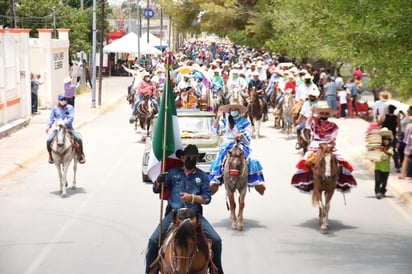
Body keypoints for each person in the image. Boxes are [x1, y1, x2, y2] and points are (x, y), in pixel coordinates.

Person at [145, 144, 223, 274]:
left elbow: (207, 198)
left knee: (216, 240)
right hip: (175, 215)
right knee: (153, 241)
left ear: (197, 159)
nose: (191, 159)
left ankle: (218, 270)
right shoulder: (173, 173)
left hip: (194, 217)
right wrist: (159, 180)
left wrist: (192, 198)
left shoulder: (202, 176)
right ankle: (150, 270)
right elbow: (156, 189)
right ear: (182, 158)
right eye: (189, 157)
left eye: (194, 157)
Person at [291, 102, 357, 193]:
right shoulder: (314, 122)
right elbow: (307, 125)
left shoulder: (334, 126)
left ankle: (342, 182)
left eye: (326, 113)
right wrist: (311, 113)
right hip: (316, 145)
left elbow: (334, 137)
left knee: (341, 159)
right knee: (306, 160)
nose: (324, 115)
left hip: (328, 145)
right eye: (322, 113)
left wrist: (331, 142)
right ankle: (304, 182)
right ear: (319, 114)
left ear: (328, 115)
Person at [209, 103, 266, 195]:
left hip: (241, 143)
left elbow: (248, 133)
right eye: (231, 110)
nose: (233, 111)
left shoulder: (245, 121)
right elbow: (215, 131)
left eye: (235, 109)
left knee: (250, 158)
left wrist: (241, 135)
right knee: (220, 158)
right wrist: (218, 117)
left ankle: (256, 180)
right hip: (228, 144)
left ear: (238, 111)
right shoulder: (225, 121)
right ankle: (216, 180)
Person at [46, 94, 86, 164]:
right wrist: (48, 126)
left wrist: (65, 123)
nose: (63, 101)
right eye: (62, 99)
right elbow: (51, 118)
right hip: (58, 128)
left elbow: (71, 117)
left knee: (79, 139)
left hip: (68, 127)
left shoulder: (70, 107)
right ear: (59, 100)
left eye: (64, 99)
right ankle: (50, 156)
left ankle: (81, 155)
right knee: (48, 140)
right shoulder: (55, 108)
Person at [379, 104, 401, 172]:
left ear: (388, 110)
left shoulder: (384, 116)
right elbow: (399, 127)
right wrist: (399, 135)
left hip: (384, 135)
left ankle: (381, 165)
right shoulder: (396, 117)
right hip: (392, 135)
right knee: (393, 151)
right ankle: (397, 167)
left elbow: (379, 123)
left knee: (382, 149)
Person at [373, 128, 394, 199]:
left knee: (384, 182)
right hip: (378, 167)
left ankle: (383, 191)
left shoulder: (390, 148)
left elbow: (390, 154)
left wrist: (384, 150)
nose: (386, 141)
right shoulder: (377, 148)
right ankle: (377, 192)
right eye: (384, 139)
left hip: (386, 169)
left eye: (387, 139)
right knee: (378, 180)